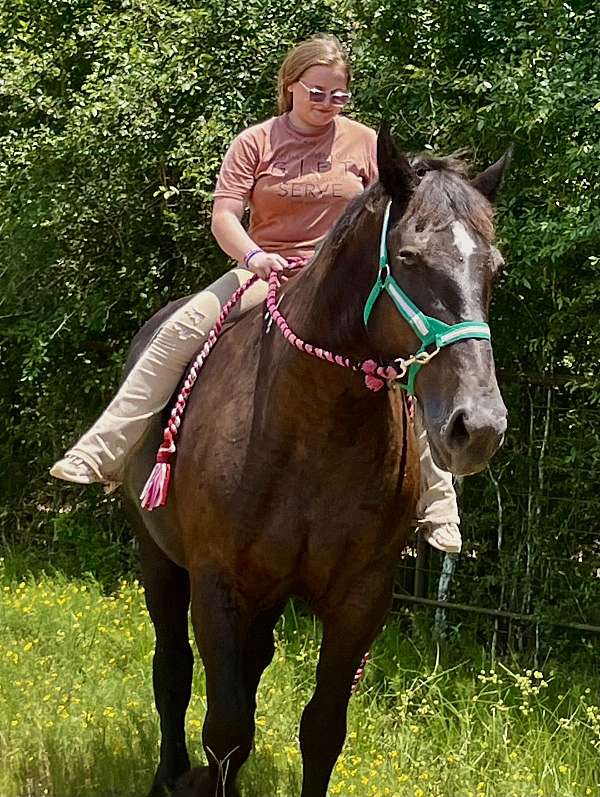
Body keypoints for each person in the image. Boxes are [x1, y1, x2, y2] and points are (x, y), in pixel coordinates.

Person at [50, 34, 462, 553]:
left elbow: (402, 215)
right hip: (264, 270)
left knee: (409, 355)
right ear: (290, 87)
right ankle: (106, 446)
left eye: (339, 95)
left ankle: (437, 504)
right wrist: (254, 257)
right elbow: (224, 214)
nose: (329, 104)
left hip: (342, 288)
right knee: (179, 328)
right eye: (318, 93)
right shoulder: (256, 142)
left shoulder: (363, 144)